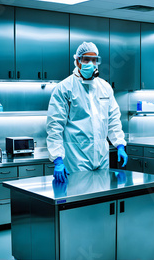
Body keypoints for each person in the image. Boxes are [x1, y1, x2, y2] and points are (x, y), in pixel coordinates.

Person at [46, 42, 128, 182]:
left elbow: (113, 119)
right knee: (80, 197)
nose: (91, 63)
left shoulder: (105, 87)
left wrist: (120, 144)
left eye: (94, 60)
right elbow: (55, 126)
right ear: (77, 61)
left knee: (100, 197)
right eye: (86, 59)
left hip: (102, 156)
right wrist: (58, 159)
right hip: (76, 157)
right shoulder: (64, 88)